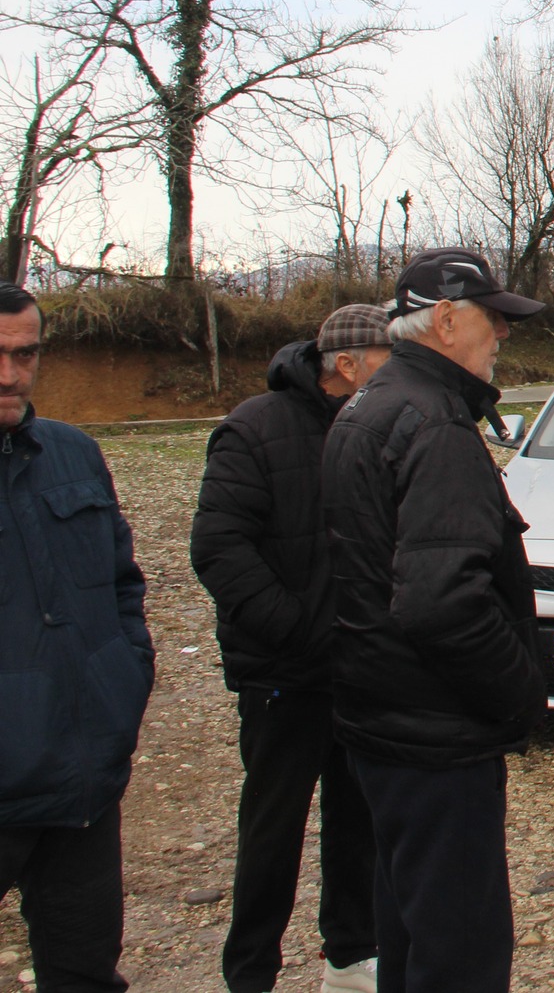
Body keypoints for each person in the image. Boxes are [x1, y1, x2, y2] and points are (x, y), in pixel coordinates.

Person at [322, 249, 547, 993]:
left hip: (382, 725)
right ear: (446, 320)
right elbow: (442, 603)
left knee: (409, 933)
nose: (502, 336)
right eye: (494, 319)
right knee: (460, 952)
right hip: (434, 739)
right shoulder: (434, 425)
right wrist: (521, 692)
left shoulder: (369, 405)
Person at [191, 304, 389, 993]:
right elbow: (219, 547)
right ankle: (251, 972)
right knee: (272, 830)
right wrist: (297, 630)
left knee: (357, 822)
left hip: (360, 669)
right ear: (347, 364)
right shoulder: (254, 427)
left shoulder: (379, 426)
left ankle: (351, 957)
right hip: (283, 675)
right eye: (388, 358)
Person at [0, 279, 155, 993]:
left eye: (25, 354)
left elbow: (123, 585)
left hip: (81, 782)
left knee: (86, 974)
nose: (10, 374)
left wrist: (123, 678)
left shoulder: (74, 453)